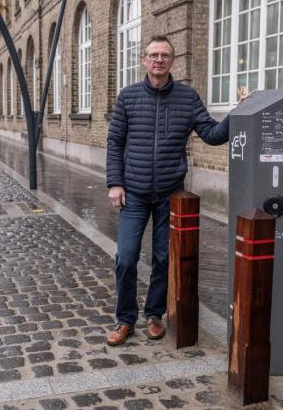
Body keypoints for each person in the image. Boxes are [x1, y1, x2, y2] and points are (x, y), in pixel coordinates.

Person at [105, 35, 231, 346]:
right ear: (143, 61)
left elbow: (212, 134)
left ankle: (154, 315)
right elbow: (114, 142)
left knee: (163, 258)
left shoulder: (188, 98)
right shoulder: (128, 97)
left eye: (165, 55)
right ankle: (125, 320)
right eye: (153, 55)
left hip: (169, 194)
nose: (159, 60)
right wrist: (115, 182)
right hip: (133, 193)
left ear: (172, 61)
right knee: (126, 258)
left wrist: (237, 116)